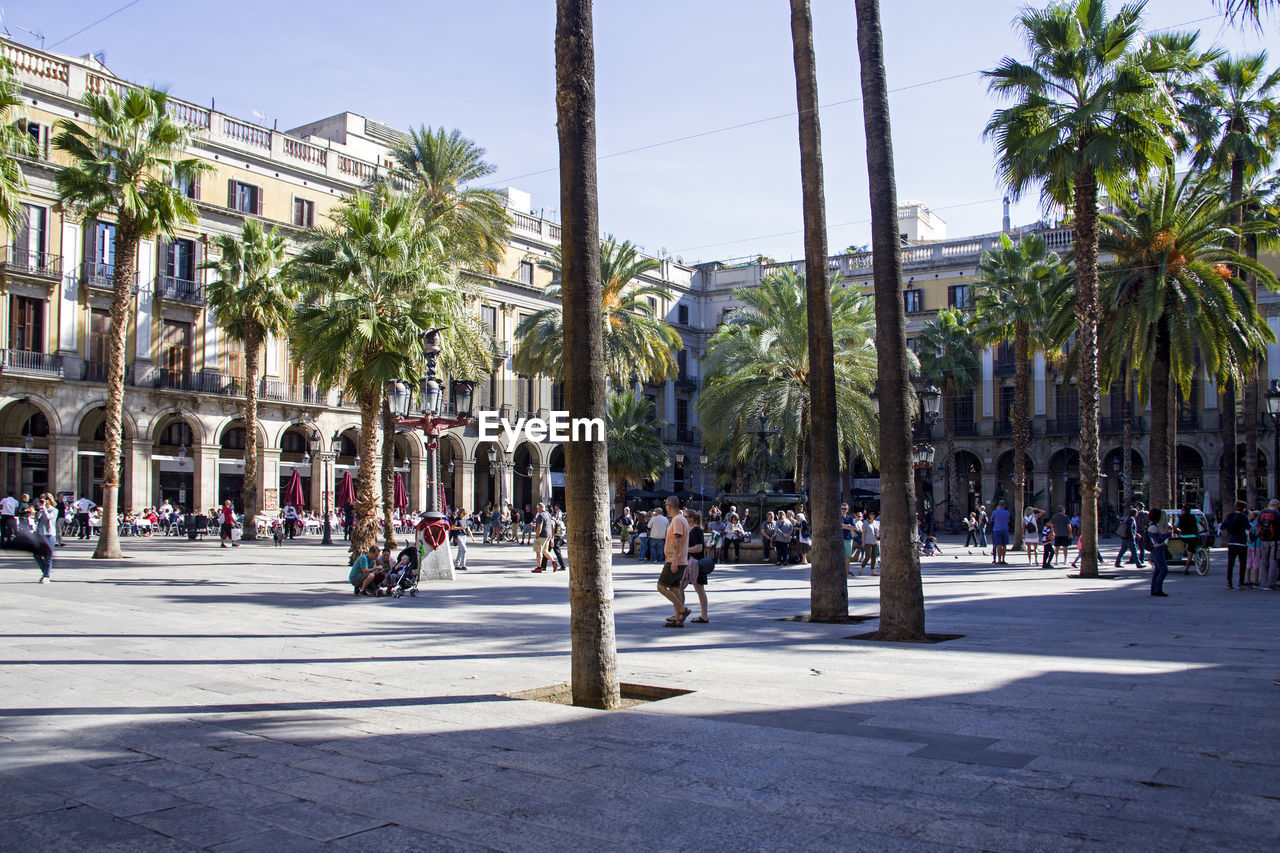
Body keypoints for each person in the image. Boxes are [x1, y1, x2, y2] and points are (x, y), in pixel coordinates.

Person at [656, 495, 690, 627]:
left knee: (661, 586)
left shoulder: (677, 520)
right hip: (679, 559)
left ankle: (681, 609)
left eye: (666, 506)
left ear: (669, 506)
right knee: (675, 587)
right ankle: (678, 618)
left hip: (675, 559)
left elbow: (678, 540)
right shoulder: (681, 519)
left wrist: (674, 560)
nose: (666, 508)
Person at [682, 508, 711, 624]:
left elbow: (699, 547)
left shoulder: (697, 530)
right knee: (680, 587)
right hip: (688, 562)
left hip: (696, 563)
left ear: (692, 518)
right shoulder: (688, 529)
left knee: (699, 588)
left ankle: (704, 615)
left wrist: (685, 549)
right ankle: (680, 612)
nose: (684, 518)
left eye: (686, 517)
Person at [1221, 500, 1249, 590]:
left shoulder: (1229, 516)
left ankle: (1229, 582)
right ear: (1243, 508)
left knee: (1231, 563)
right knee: (1242, 563)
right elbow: (1248, 527)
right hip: (1241, 542)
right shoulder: (1243, 516)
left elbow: (1222, 527)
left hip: (1231, 541)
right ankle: (1241, 582)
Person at [32, 495, 58, 583]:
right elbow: (37, 518)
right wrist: (39, 510)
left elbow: (48, 518)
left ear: (49, 500)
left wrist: (44, 508)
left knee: (47, 556)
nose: (42, 502)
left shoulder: (54, 510)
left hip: (49, 534)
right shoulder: (41, 510)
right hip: (40, 534)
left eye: (44, 500)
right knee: (36, 555)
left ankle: (46, 576)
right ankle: (46, 573)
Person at [1257, 499, 1280, 590]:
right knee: (1273, 561)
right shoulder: (1277, 514)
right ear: (1277, 506)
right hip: (1275, 541)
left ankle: (1263, 582)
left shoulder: (1262, 513)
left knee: (1264, 561)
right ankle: (1271, 583)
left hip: (1263, 540)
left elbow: (1258, 526)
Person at [1148, 508, 1171, 597]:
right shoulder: (1153, 527)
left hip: (1156, 550)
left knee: (1158, 570)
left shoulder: (1152, 526)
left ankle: (1154, 589)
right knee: (1164, 570)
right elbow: (1159, 540)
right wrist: (1168, 533)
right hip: (1157, 549)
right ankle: (1157, 589)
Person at [531, 502, 555, 573]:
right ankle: (554, 563)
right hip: (548, 535)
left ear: (540, 508)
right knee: (545, 550)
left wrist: (537, 536)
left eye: (537, 508)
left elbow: (539, 527)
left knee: (538, 552)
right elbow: (551, 525)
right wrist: (552, 538)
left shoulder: (540, 515)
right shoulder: (548, 514)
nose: (537, 510)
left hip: (542, 535)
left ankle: (539, 567)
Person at [1177, 505, 1199, 573]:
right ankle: (1186, 569)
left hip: (1184, 536)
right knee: (1190, 554)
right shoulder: (1194, 516)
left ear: (1183, 511)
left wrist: (1179, 531)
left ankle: (1183, 551)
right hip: (1193, 536)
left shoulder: (1180, 518)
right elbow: (1201, 523)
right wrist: (1205, 529)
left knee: (1181, 541)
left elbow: (1175, 527)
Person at [990, 499, 1011, 565]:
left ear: (999, 505)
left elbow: (991, 519)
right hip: (1005, 529)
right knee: (1004, 545)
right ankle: (1003, 559)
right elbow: (1008, 520)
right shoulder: (1007, 512)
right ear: (1004, 505)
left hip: (997, 529)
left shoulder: (995, 512)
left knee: (998, 545)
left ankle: (998, 559)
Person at [860, 511, 880, 576]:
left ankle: (873, 571)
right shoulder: (865, 522)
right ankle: (861, 568)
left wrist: (878, 535)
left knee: (874, 556)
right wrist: (863, 542)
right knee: (867, 556)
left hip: (875, 542)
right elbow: (863, 532)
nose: (872, 515)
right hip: (867, 541)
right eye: (870, 514)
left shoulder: (877, 523)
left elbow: (878, 532)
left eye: (873, 514)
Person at [840, 503, 857, 575]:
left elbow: (853, 527)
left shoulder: (850, 518)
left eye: (845, 509)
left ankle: (847, 571)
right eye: (842, 509)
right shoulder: (838, 517)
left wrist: (845, 526)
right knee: (840, 556)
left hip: (848, 538)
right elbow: (840, 526)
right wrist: (848, 526)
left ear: (848, 510)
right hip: (840, 539)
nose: (844, 510)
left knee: (848, 556)